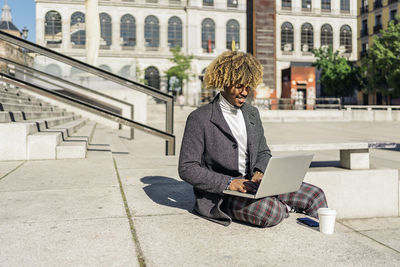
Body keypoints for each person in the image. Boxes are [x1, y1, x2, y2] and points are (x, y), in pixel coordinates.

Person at [178, 50, 328, 227]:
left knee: (315, 195)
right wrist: (229, 183)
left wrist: (260, 172)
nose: (244, 92)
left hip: (254, 184)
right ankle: (283, 206)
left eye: (248, 86)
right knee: (272, 211)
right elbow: (187, 168)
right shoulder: (200, 118)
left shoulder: (252, 114)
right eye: (239, 86)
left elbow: (264, 152)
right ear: (224, 82)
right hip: (223, 194)